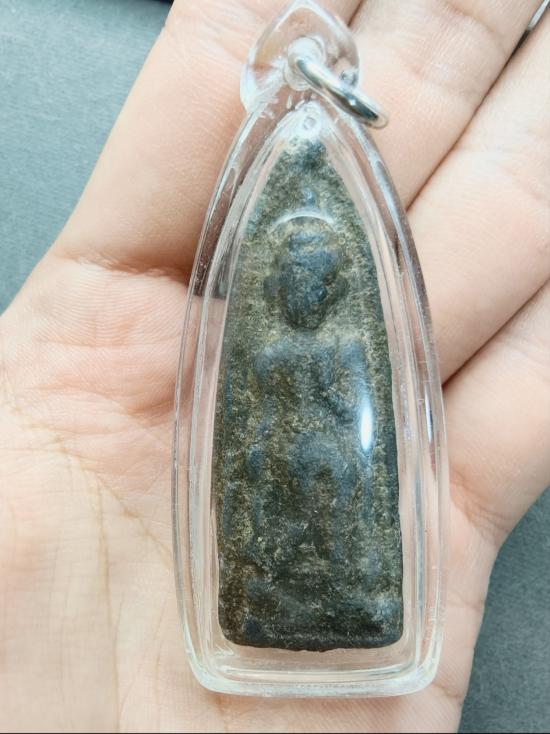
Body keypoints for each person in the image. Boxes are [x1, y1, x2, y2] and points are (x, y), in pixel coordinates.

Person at [0, 1, 548, 731]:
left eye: (317, 276)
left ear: (333, 281)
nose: (303, 290)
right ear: (278, 281)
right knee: (272, 493)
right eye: (290, 276)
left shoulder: (349, 346)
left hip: (334, 470)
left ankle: (349, 585)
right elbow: (244, 428)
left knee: (338, 481)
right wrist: (264, 452)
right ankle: (273, 587)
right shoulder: (266, 345)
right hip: (277, 467)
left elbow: (363, 430)